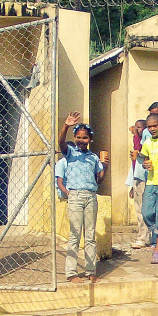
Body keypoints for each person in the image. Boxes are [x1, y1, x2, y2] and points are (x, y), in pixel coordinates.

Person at [57, 112, 106, 284]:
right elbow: (61, 143)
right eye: (78, 137)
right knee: (75, 235)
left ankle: (91, 271)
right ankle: (71, 273)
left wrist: (104, 166)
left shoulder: (93, 158)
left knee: (90, 236)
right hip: (75, 196)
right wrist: (66, 126)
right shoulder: (70, 153)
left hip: (90, 196)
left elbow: (98, 179)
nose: (81, 140)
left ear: (90, 139)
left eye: (84, 138)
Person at [139, 113, 158, 264]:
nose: (152, 129)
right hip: (151, 182)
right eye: (149, 126)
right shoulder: (147, 143)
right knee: (147, 213)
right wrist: (144, 164)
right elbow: (144, 159)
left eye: (154, 125)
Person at [125, 119, 151, 249]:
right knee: (139, 209)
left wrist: (135, 135)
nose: (137, 130)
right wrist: (132, 184)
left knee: (145, 210)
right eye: (136, 127)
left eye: (139, 127)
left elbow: (143, 153)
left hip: (147, 180)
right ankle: (144, 237)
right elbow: (134, 166)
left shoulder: (146, 143)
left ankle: (144, 238)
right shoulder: (138, 146)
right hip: (138, 179)